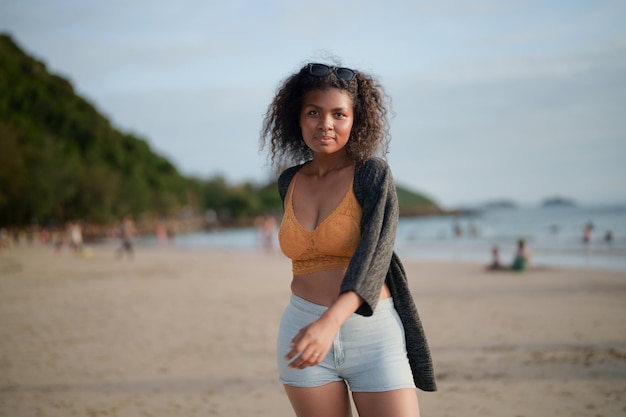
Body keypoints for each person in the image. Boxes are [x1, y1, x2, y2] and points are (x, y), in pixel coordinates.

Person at [260, 61, 436, 417]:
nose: (326, 124)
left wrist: (330, 322)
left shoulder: (372, 174)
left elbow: (375, 256)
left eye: (339, 114)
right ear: (298, 117)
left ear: (355, 121)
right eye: (314, 112)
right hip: (302, 331)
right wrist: (317, 325)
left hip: (372, 337)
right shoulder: (289, 181)